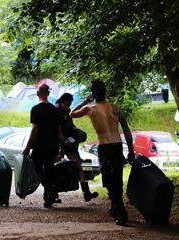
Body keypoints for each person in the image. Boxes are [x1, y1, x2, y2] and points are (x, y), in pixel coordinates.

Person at [70, 79, 135, 226]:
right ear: (106, 91)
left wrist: (85, 101)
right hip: (117, 146)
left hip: (104, 147)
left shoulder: (90, 108)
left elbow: (71, 114)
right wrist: (131, 150)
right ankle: (116, 208)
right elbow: (126, 130)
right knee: (117, 179)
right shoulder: (116, 108)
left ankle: (120, 212)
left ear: (93, 93)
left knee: (109, 181)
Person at [23, 83, 64, 208]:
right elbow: (59, 130)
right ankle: (48, 199)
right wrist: (62, 147)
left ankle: (50, 185)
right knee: (49, 169)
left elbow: (35, 128)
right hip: (53, 145)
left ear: (37, 93)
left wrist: (28, 146)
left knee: (37, 169)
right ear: (49, 93)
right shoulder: (55, 109)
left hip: (40, 144)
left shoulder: (36, 109)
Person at [55, 93, 98, 202]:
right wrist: (62, 145)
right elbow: (58, 130)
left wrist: (85, 102)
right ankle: (53, 194)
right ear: (60, 102)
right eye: (65, 104)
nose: (67, 106)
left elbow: (71, 121)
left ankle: (86, 193)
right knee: (55, 168)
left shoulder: (67, 111)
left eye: (69, 105)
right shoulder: (56, 111)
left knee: (78, 165)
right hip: (59, 142)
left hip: (69, 142)